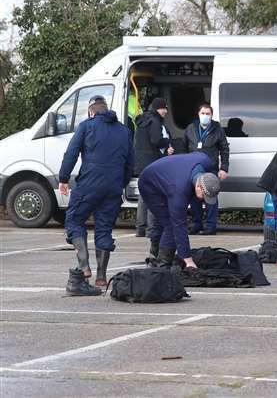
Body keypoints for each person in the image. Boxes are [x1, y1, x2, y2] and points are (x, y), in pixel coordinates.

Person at [58, 95, 133, 295]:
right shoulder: (124, 131)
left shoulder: (86, 126)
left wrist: (63, 178)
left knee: (74, 220)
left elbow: (71, 153)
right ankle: (101, 276)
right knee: (104, 228)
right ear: (105, 109)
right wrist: (119, 183)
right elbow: (130, 164)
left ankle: (84, 267)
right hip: (114, 186)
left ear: (91, 111)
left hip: (89, 183)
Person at [137, 152, 221, 268]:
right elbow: (179, 226)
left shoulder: (207, 162)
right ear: (198, 187)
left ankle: (156, 255)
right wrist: (188, 259)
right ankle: (161, 265)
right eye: (205, 196)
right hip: (149, 183)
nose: (204, 201)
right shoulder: (179, 191)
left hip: (170, 174)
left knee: (164, 222)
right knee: (170, 225)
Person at [134, 97, 173, 266]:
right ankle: (151, 229)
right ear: (158, 108)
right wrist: (168, 143)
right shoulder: (155, 121)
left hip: (141, 163)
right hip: (152, 161)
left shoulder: (142, 121)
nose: (165, 111)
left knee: (144, 196)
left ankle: (140, 227)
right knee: (153, 197)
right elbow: (156, 140)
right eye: (164, 109)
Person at [184, 103, 230, 235]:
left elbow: (224, 149)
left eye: (208, 114)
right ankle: (197, 224)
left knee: (211, 195)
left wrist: (224, 168)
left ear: (211, 116)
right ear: (198, 115)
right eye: (203, 113)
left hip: (210, 167)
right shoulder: (191, 128)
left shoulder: (217, 129)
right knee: (194, 196)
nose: (205, 116)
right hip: (193, 167)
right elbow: (184, 147)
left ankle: (210, 226)